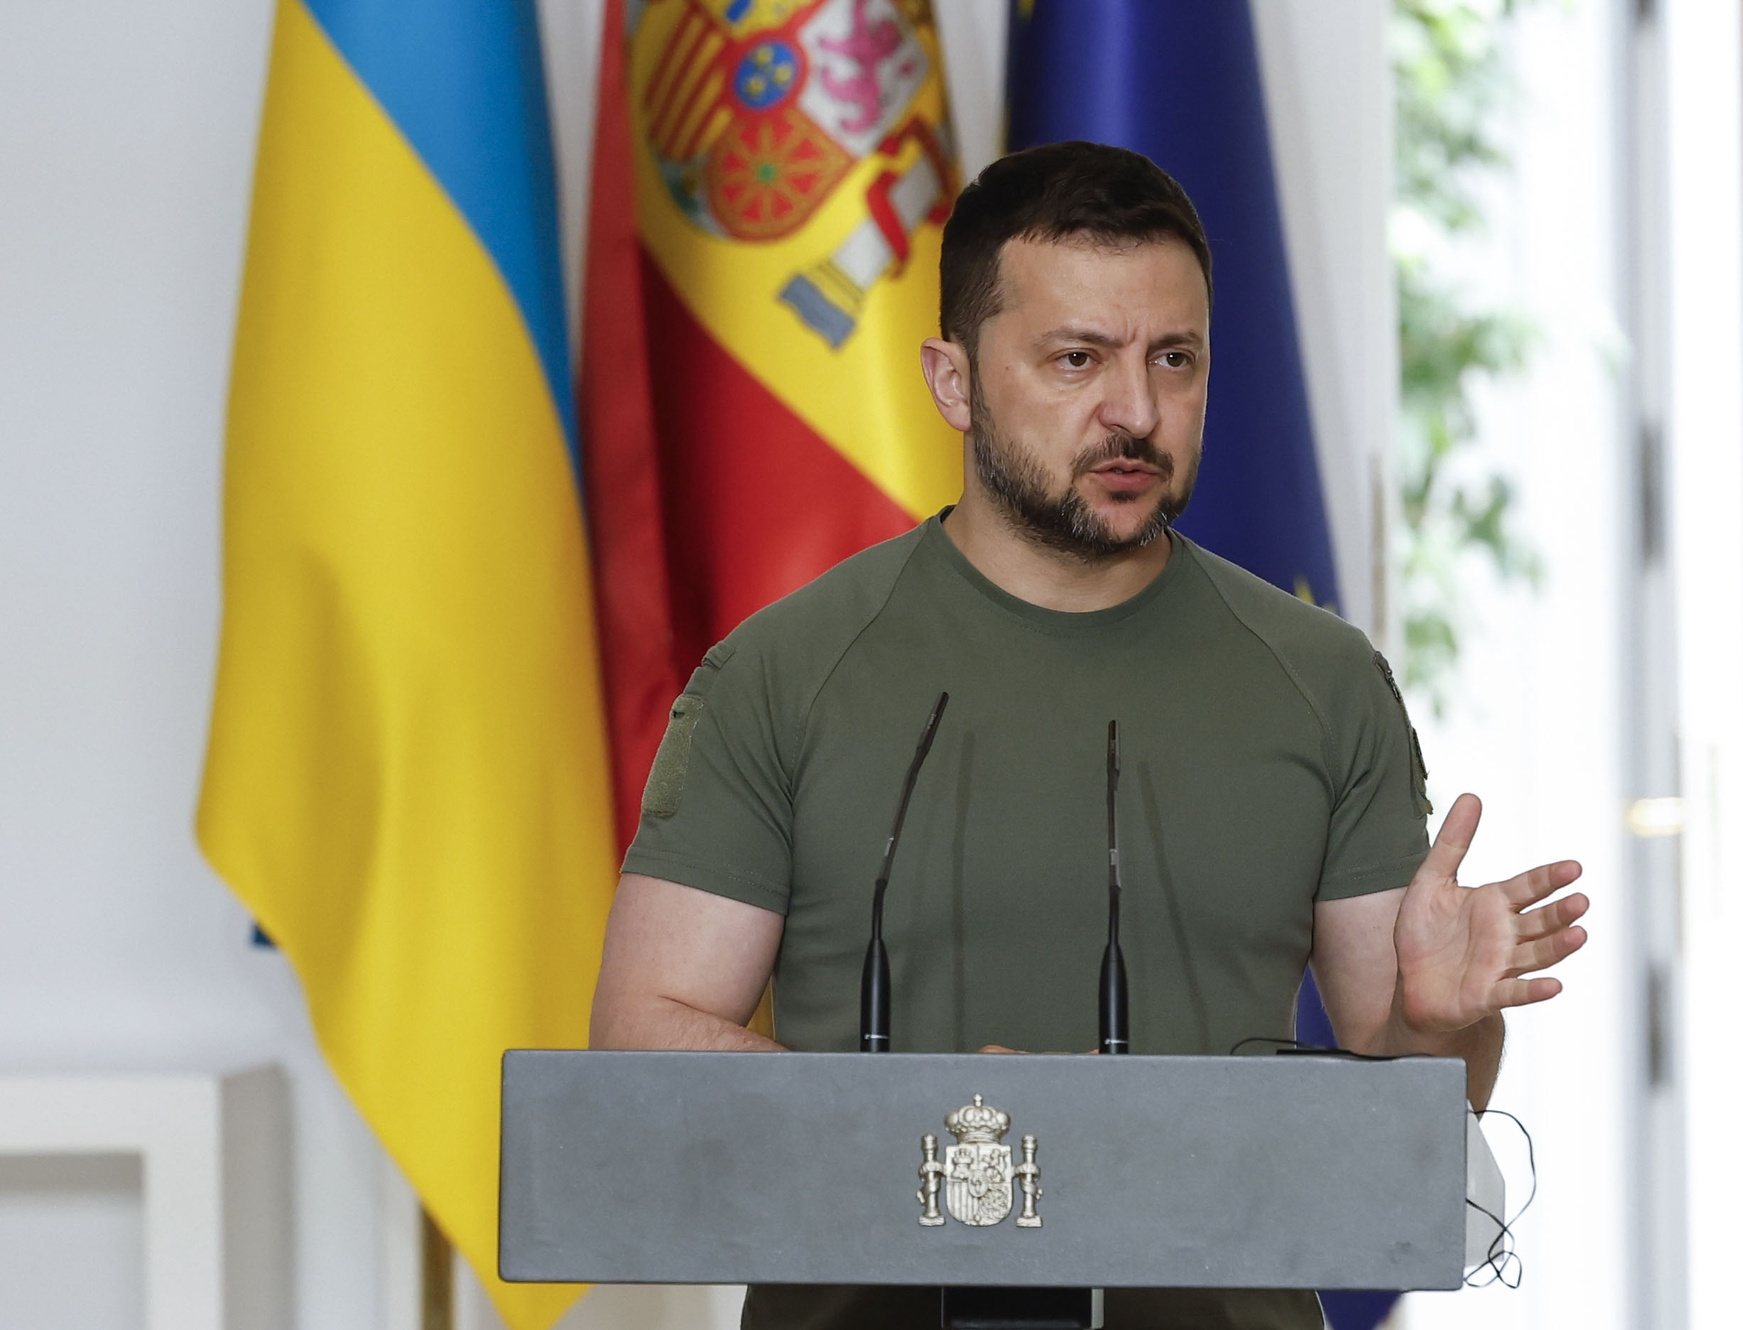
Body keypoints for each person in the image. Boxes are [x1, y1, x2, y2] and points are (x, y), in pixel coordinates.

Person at [589, 140, 1591, 1330]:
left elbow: (1413, 1109)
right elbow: (641, 1043)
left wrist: (1442, 1024)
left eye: (1174, 359)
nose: (1135, 411)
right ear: (952, 381)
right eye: (1077, 360)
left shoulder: (1323, 681)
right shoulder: (777, 674)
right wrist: (941, 1119)